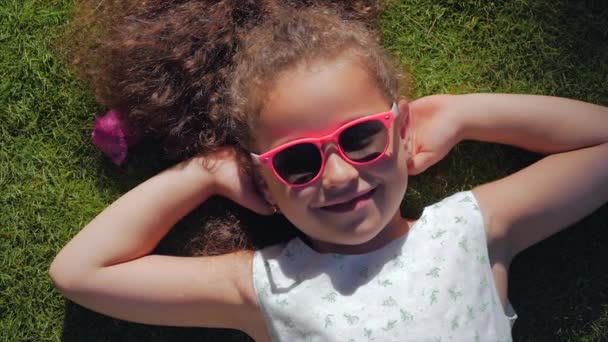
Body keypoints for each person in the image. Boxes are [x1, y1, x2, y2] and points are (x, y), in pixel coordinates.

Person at [50, 2, 608, 341]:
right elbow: (80, 272)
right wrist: (205, 173)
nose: (339, 176)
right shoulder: (265, 288)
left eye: (361, 136)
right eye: (297, 160)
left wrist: (462, 113)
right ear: (262, 178)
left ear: (400, 129)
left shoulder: (469, 230)